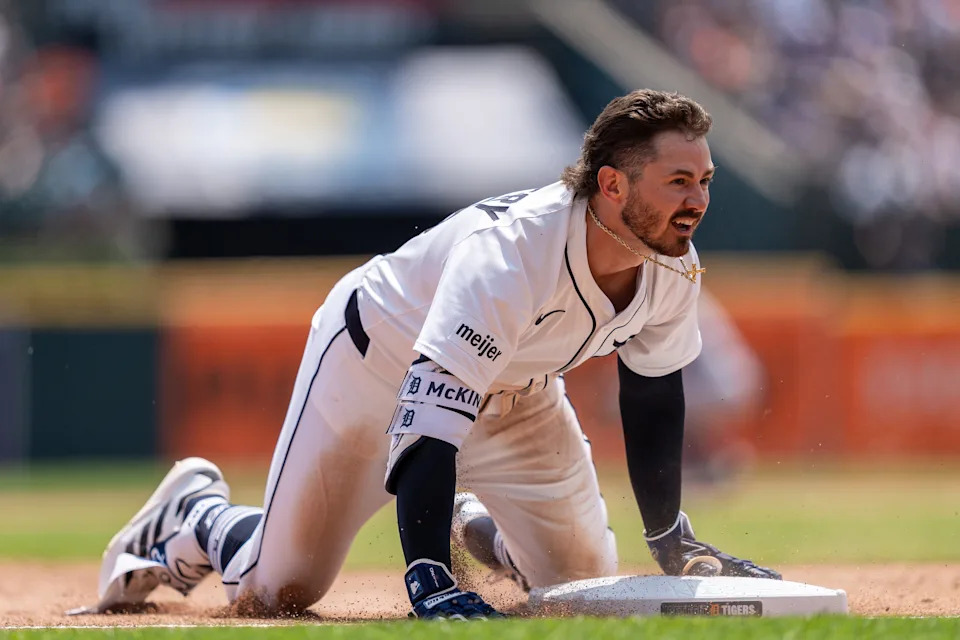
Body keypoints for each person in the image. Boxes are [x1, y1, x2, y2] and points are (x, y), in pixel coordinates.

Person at [86, 89, 780, 621]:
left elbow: (654, 396)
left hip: (518, 394)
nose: (699, 201)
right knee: (280, 588)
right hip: (374, 372)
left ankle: (470, 519)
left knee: (580, 589)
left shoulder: (669, 264)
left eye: (706, 180)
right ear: (612, 185)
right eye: (679, 180)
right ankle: (196, 513)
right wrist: (429, 577)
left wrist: (668, 536)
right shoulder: (510, 257)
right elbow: (426, 416)